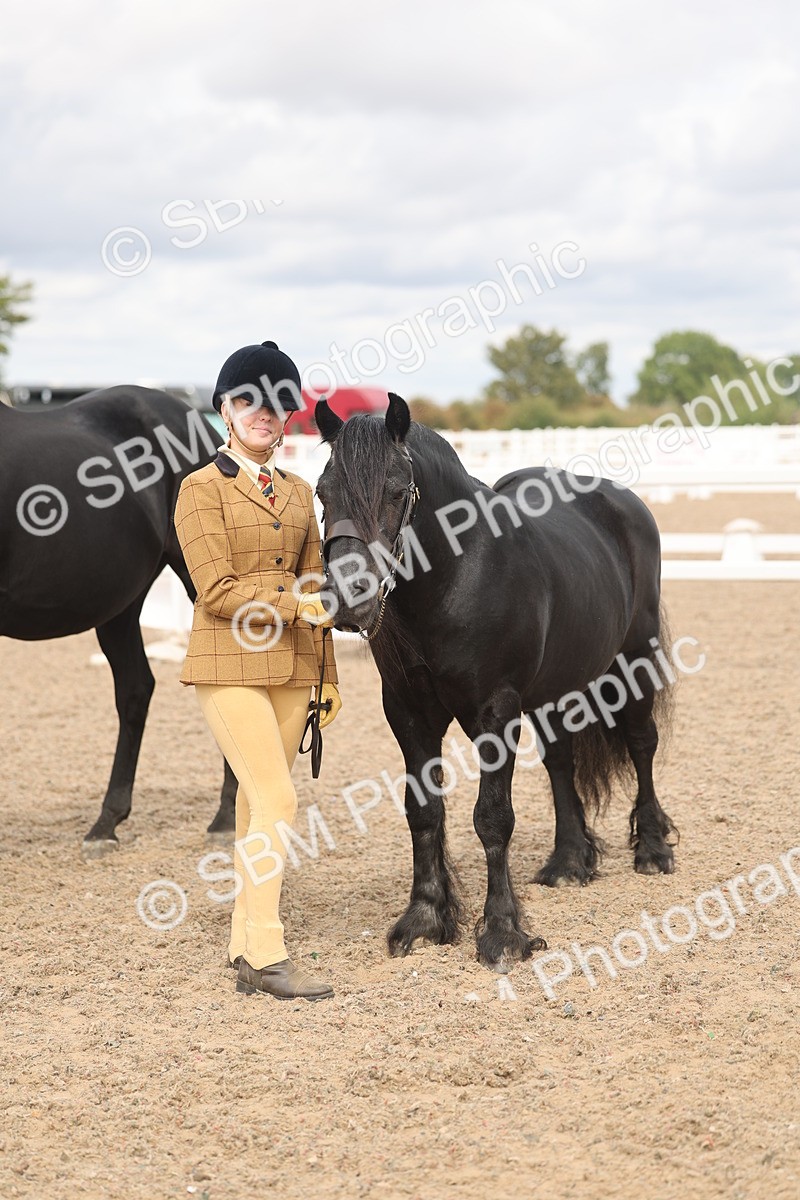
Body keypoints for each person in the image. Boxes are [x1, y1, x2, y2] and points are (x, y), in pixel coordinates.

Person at [174, 340, 341, 1002]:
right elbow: (215, 590)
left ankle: (244, 947)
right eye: (248, 401)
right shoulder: (199, 489)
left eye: (276, 405)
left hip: (295, 666)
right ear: (224, 408)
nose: (263, 414)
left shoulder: (301, 494)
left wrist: (328, 678)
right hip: (228, 662)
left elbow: (319, 587)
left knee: (254, 806)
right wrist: (295, 604)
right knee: (279, 799)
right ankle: (270, 955)